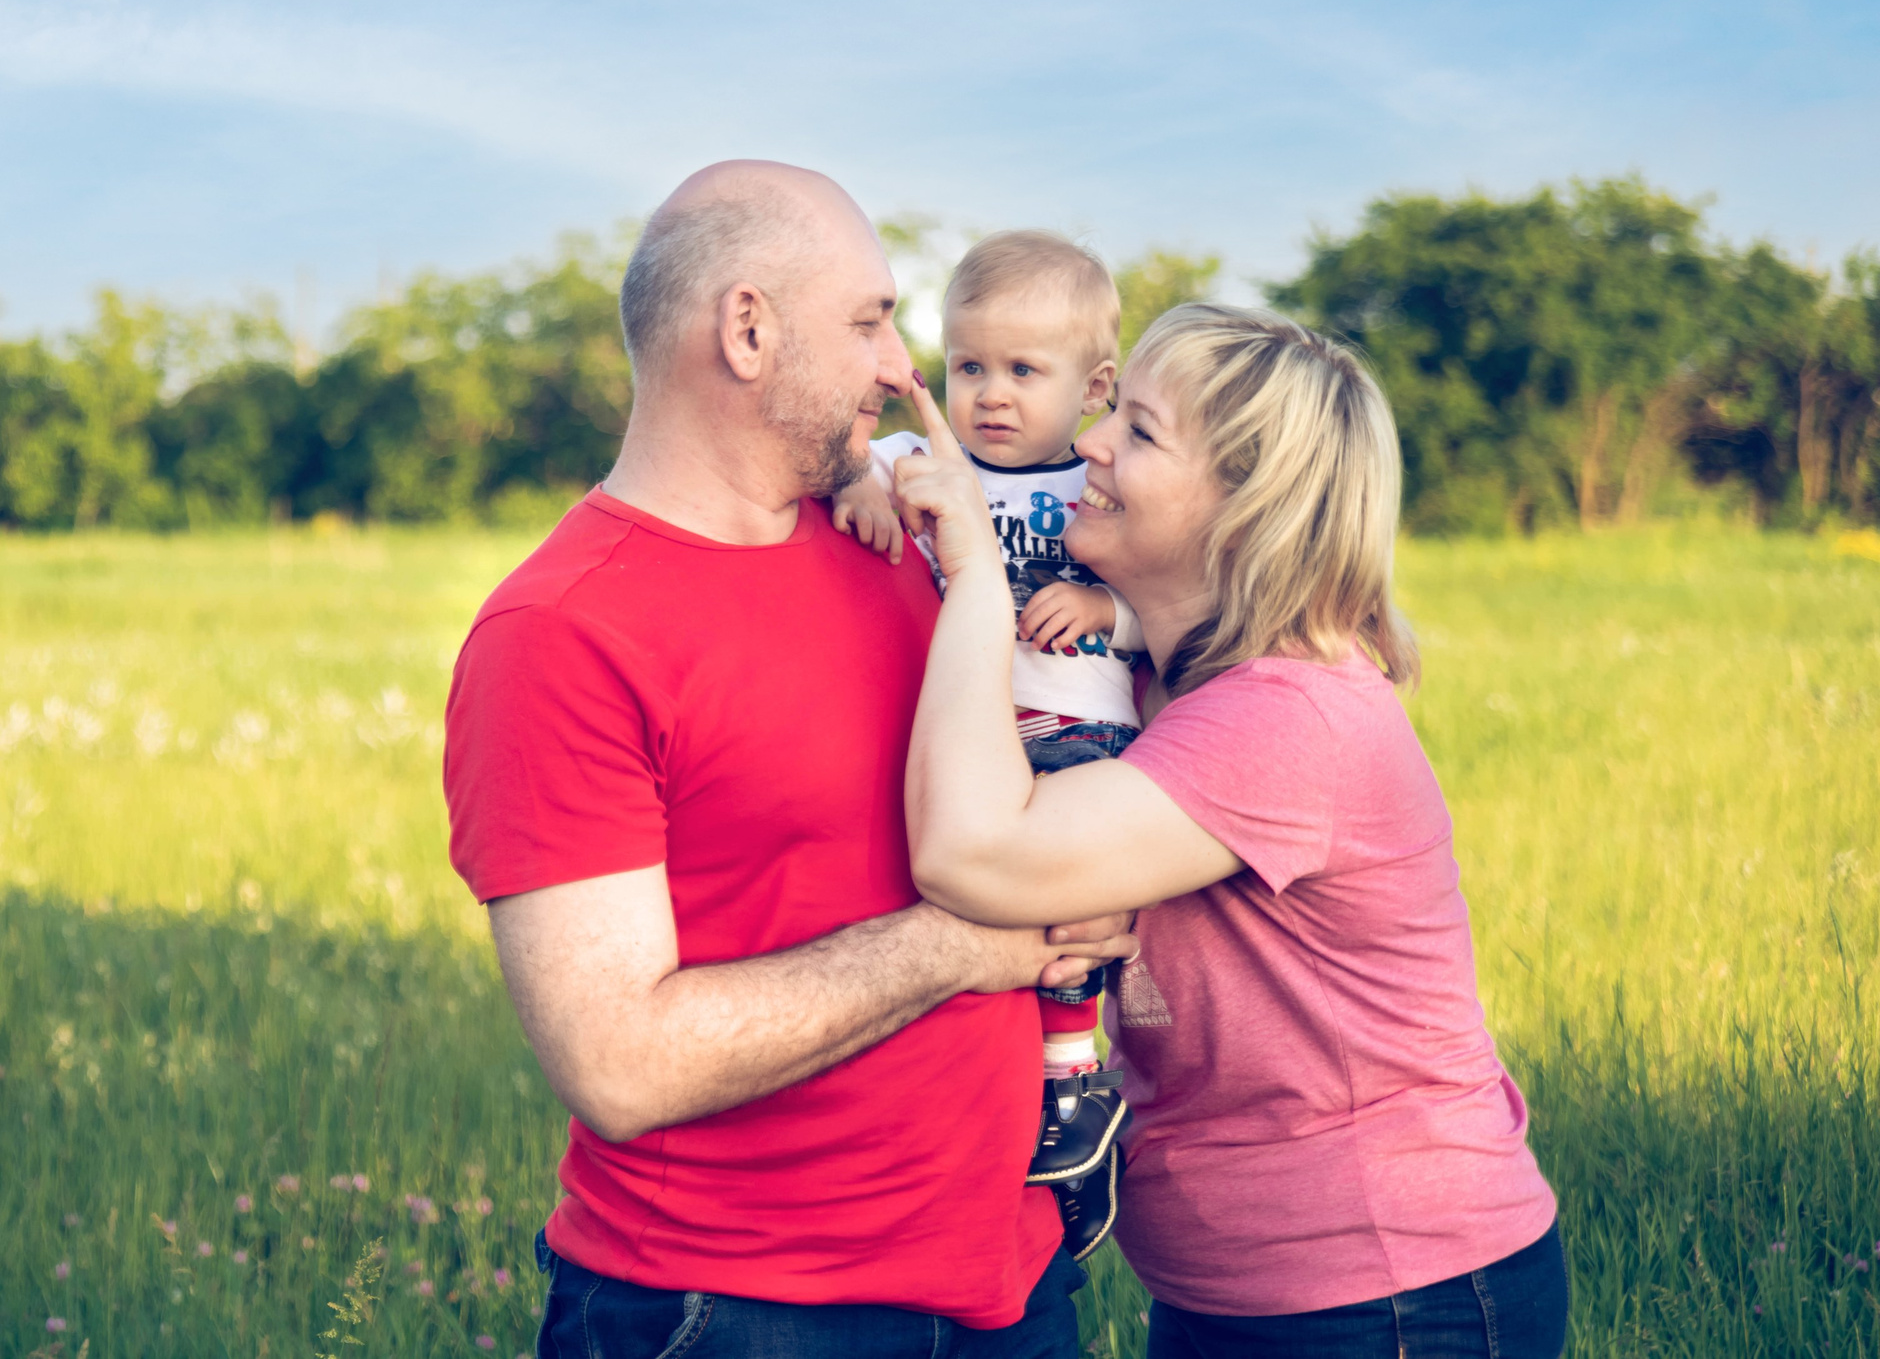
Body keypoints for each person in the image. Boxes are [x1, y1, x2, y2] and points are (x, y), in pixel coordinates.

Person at [441, 160, 1139, 1358]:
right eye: (869, 320)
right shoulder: (560, 634)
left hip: (1010, 1286)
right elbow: (619, 1062)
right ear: (748, 329)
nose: (899, 366)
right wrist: (970, 945)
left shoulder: (909, 546)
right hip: (737, 1310)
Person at [890, 304, 1569, 1359]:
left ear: (1243, 511)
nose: (1091, 442)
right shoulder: (1151, 683)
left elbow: (971, 854)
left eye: (1142, 431)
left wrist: (979, 576)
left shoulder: (1284, 714)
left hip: (1388, 1294)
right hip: (1254, 1290)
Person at [831, 229, 1149, 1257]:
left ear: (1095, 387)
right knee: (946, 899)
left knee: (1060, 917)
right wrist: (857, 496)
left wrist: (1103, 606)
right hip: (965, 736)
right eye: (969, 367)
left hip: (1075, 732)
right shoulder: (924, 461)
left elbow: (1172, 605)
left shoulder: (1100, 492)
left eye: (1023, 370)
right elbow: (854, 469)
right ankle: (989, 1095)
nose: (991, 395)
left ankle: (1073, 1088)